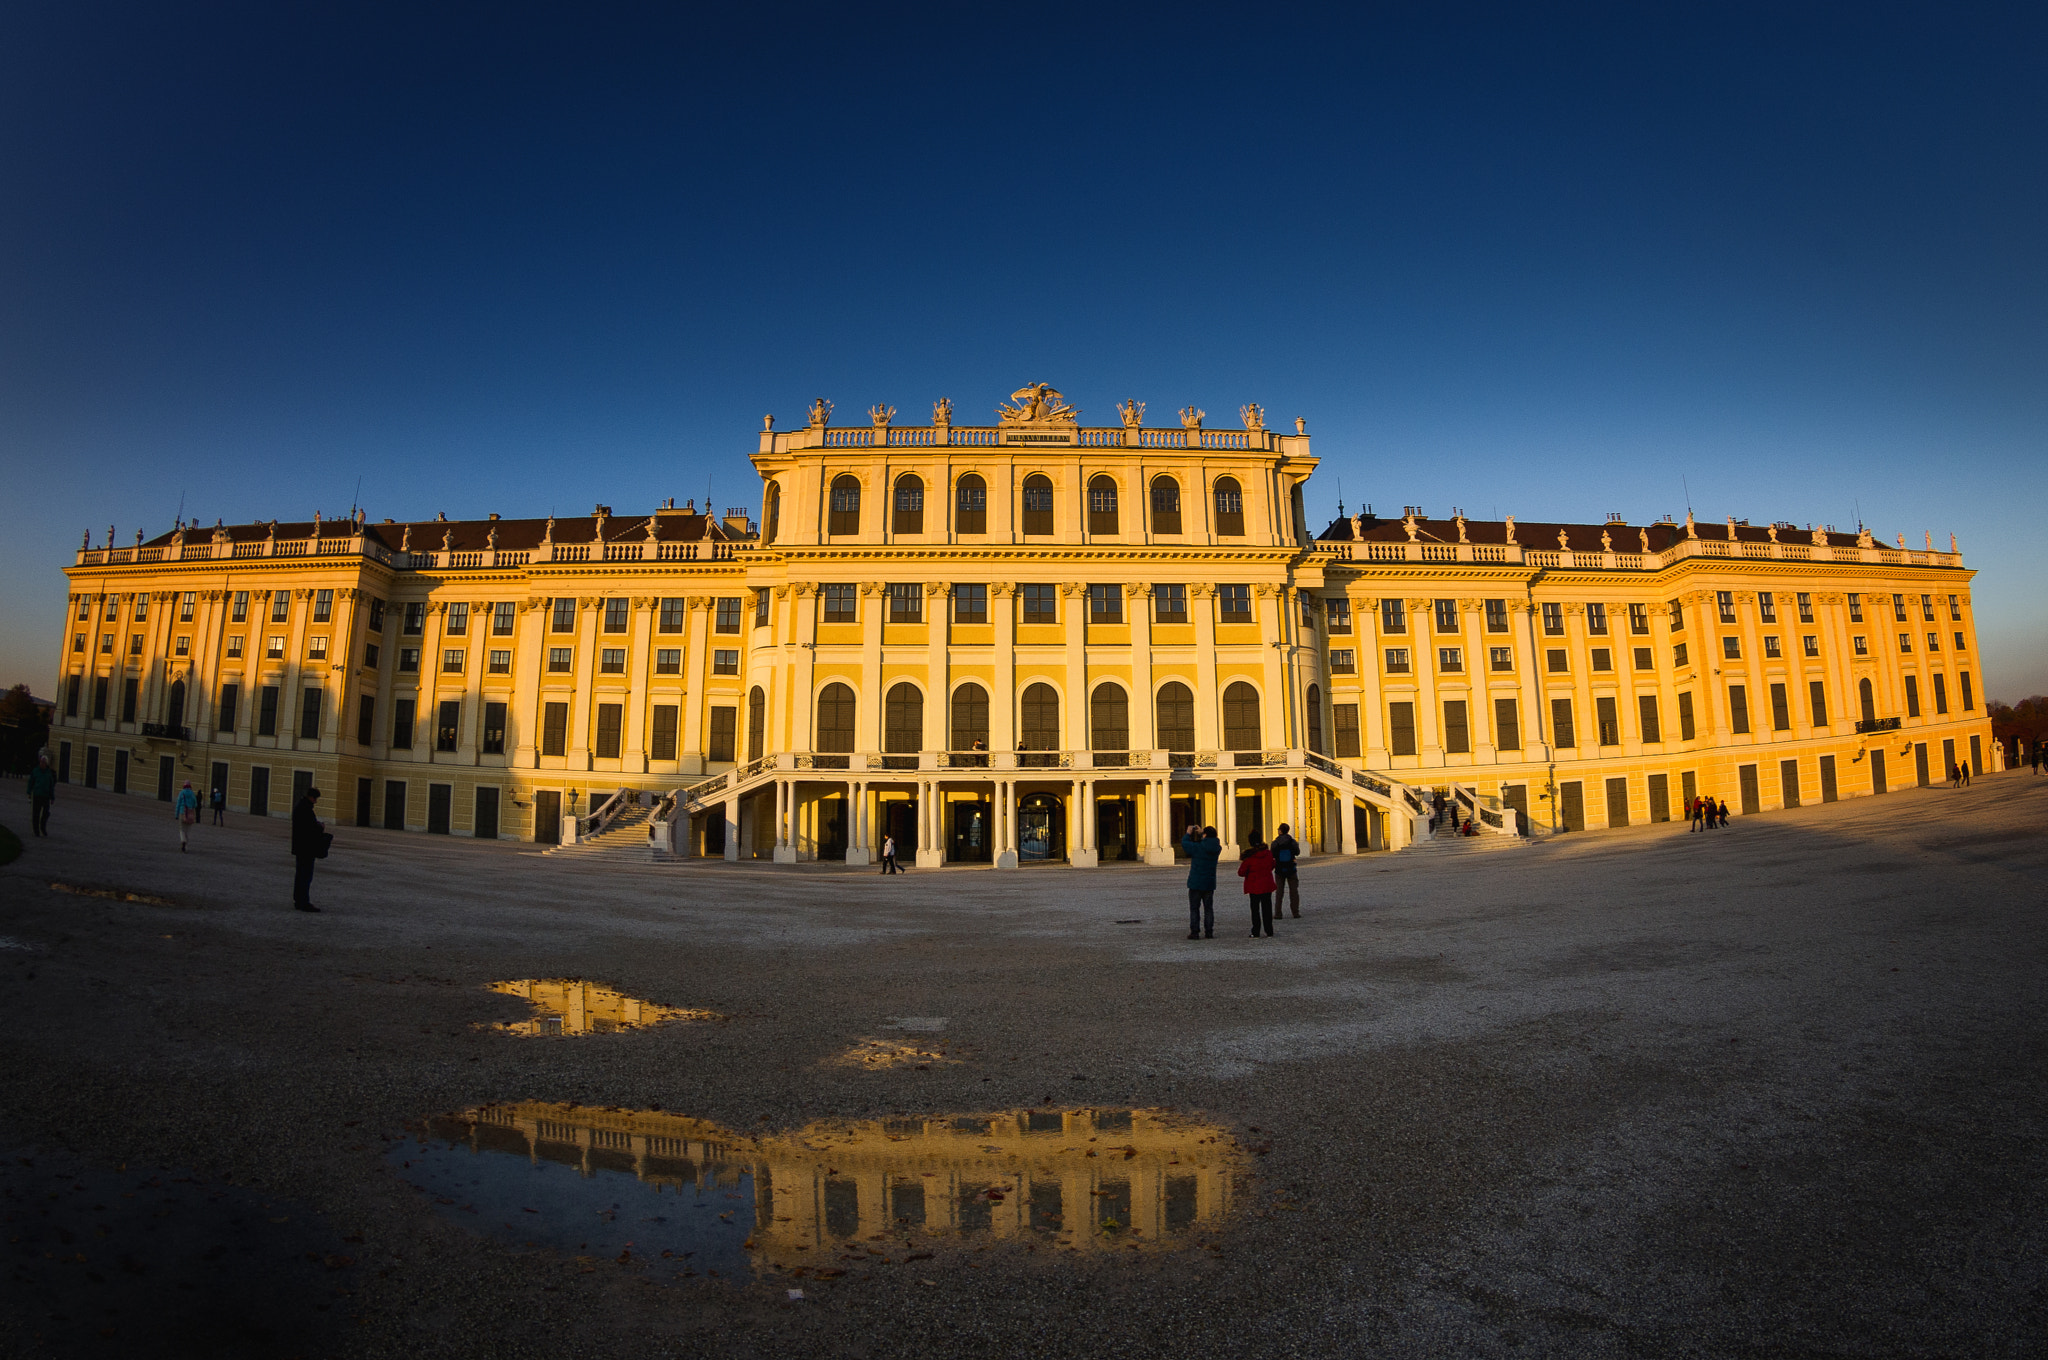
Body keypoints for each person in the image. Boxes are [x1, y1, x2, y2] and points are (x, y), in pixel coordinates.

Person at [1182, 825, 1221, 939]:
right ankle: (1209, 931)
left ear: (1205, 835)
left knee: (1194, 908)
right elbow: (1209, 841)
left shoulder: (1198, 847)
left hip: (1196, 882)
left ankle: (1195, 931)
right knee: (1208, 908)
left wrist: (1188, 833)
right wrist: (1202, 833)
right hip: (1209, 882)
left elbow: (1185, 844)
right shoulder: (1217, 848)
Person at [290, 786, 325, 912]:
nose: (315, 801)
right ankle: (303, 902)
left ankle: (298, 900)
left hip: (300, 846)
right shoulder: (305, 809)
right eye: (315, 798)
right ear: (311, 797)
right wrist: (320, 826)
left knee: (300, 874)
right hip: (306, 847)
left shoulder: (300, 806)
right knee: (305, 875)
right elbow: (309, 828)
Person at [1237, 835, 1276, 938]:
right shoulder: (1268, 854)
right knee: (1267, 908)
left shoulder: (1249, 857)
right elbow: (1272, 864)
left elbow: (1241, 872)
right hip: (1267, 884)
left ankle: (1256, 931)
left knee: (1255, 910)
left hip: (1254, 886)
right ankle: (1269, 931)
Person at [1270, 823, 1302, 919]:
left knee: (1279, 892)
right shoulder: (1292, 841)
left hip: (1279, 869)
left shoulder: (1275, 842)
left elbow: (1272, 854)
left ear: (1280, 831)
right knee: (1294, 891)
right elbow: (1297, 852)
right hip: (1291, 868)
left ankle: (1278, 913)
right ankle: (1295, 912)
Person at [27, 753, 55, 837]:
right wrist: (29, 792)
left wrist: (52, 797)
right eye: (41, 762)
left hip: (45, 796)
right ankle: (36, 830)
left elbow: (51, 786)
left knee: (46, 813)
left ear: (46, 764)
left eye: (44, 762)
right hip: (37, 794)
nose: (42, 764)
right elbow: (31, 782)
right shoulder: (36, 771)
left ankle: (43, 827)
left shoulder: (49, 773)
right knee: (36, 813)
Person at [173, 780, 200, 852]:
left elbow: (178, 804)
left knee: (182, 829)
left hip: (182, 812)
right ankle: (186, 847)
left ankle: (183, 840)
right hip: (190, 813)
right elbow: (195, 804)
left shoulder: (181, 793)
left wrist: (176, 814)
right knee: (188, 830)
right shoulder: (192, 794)